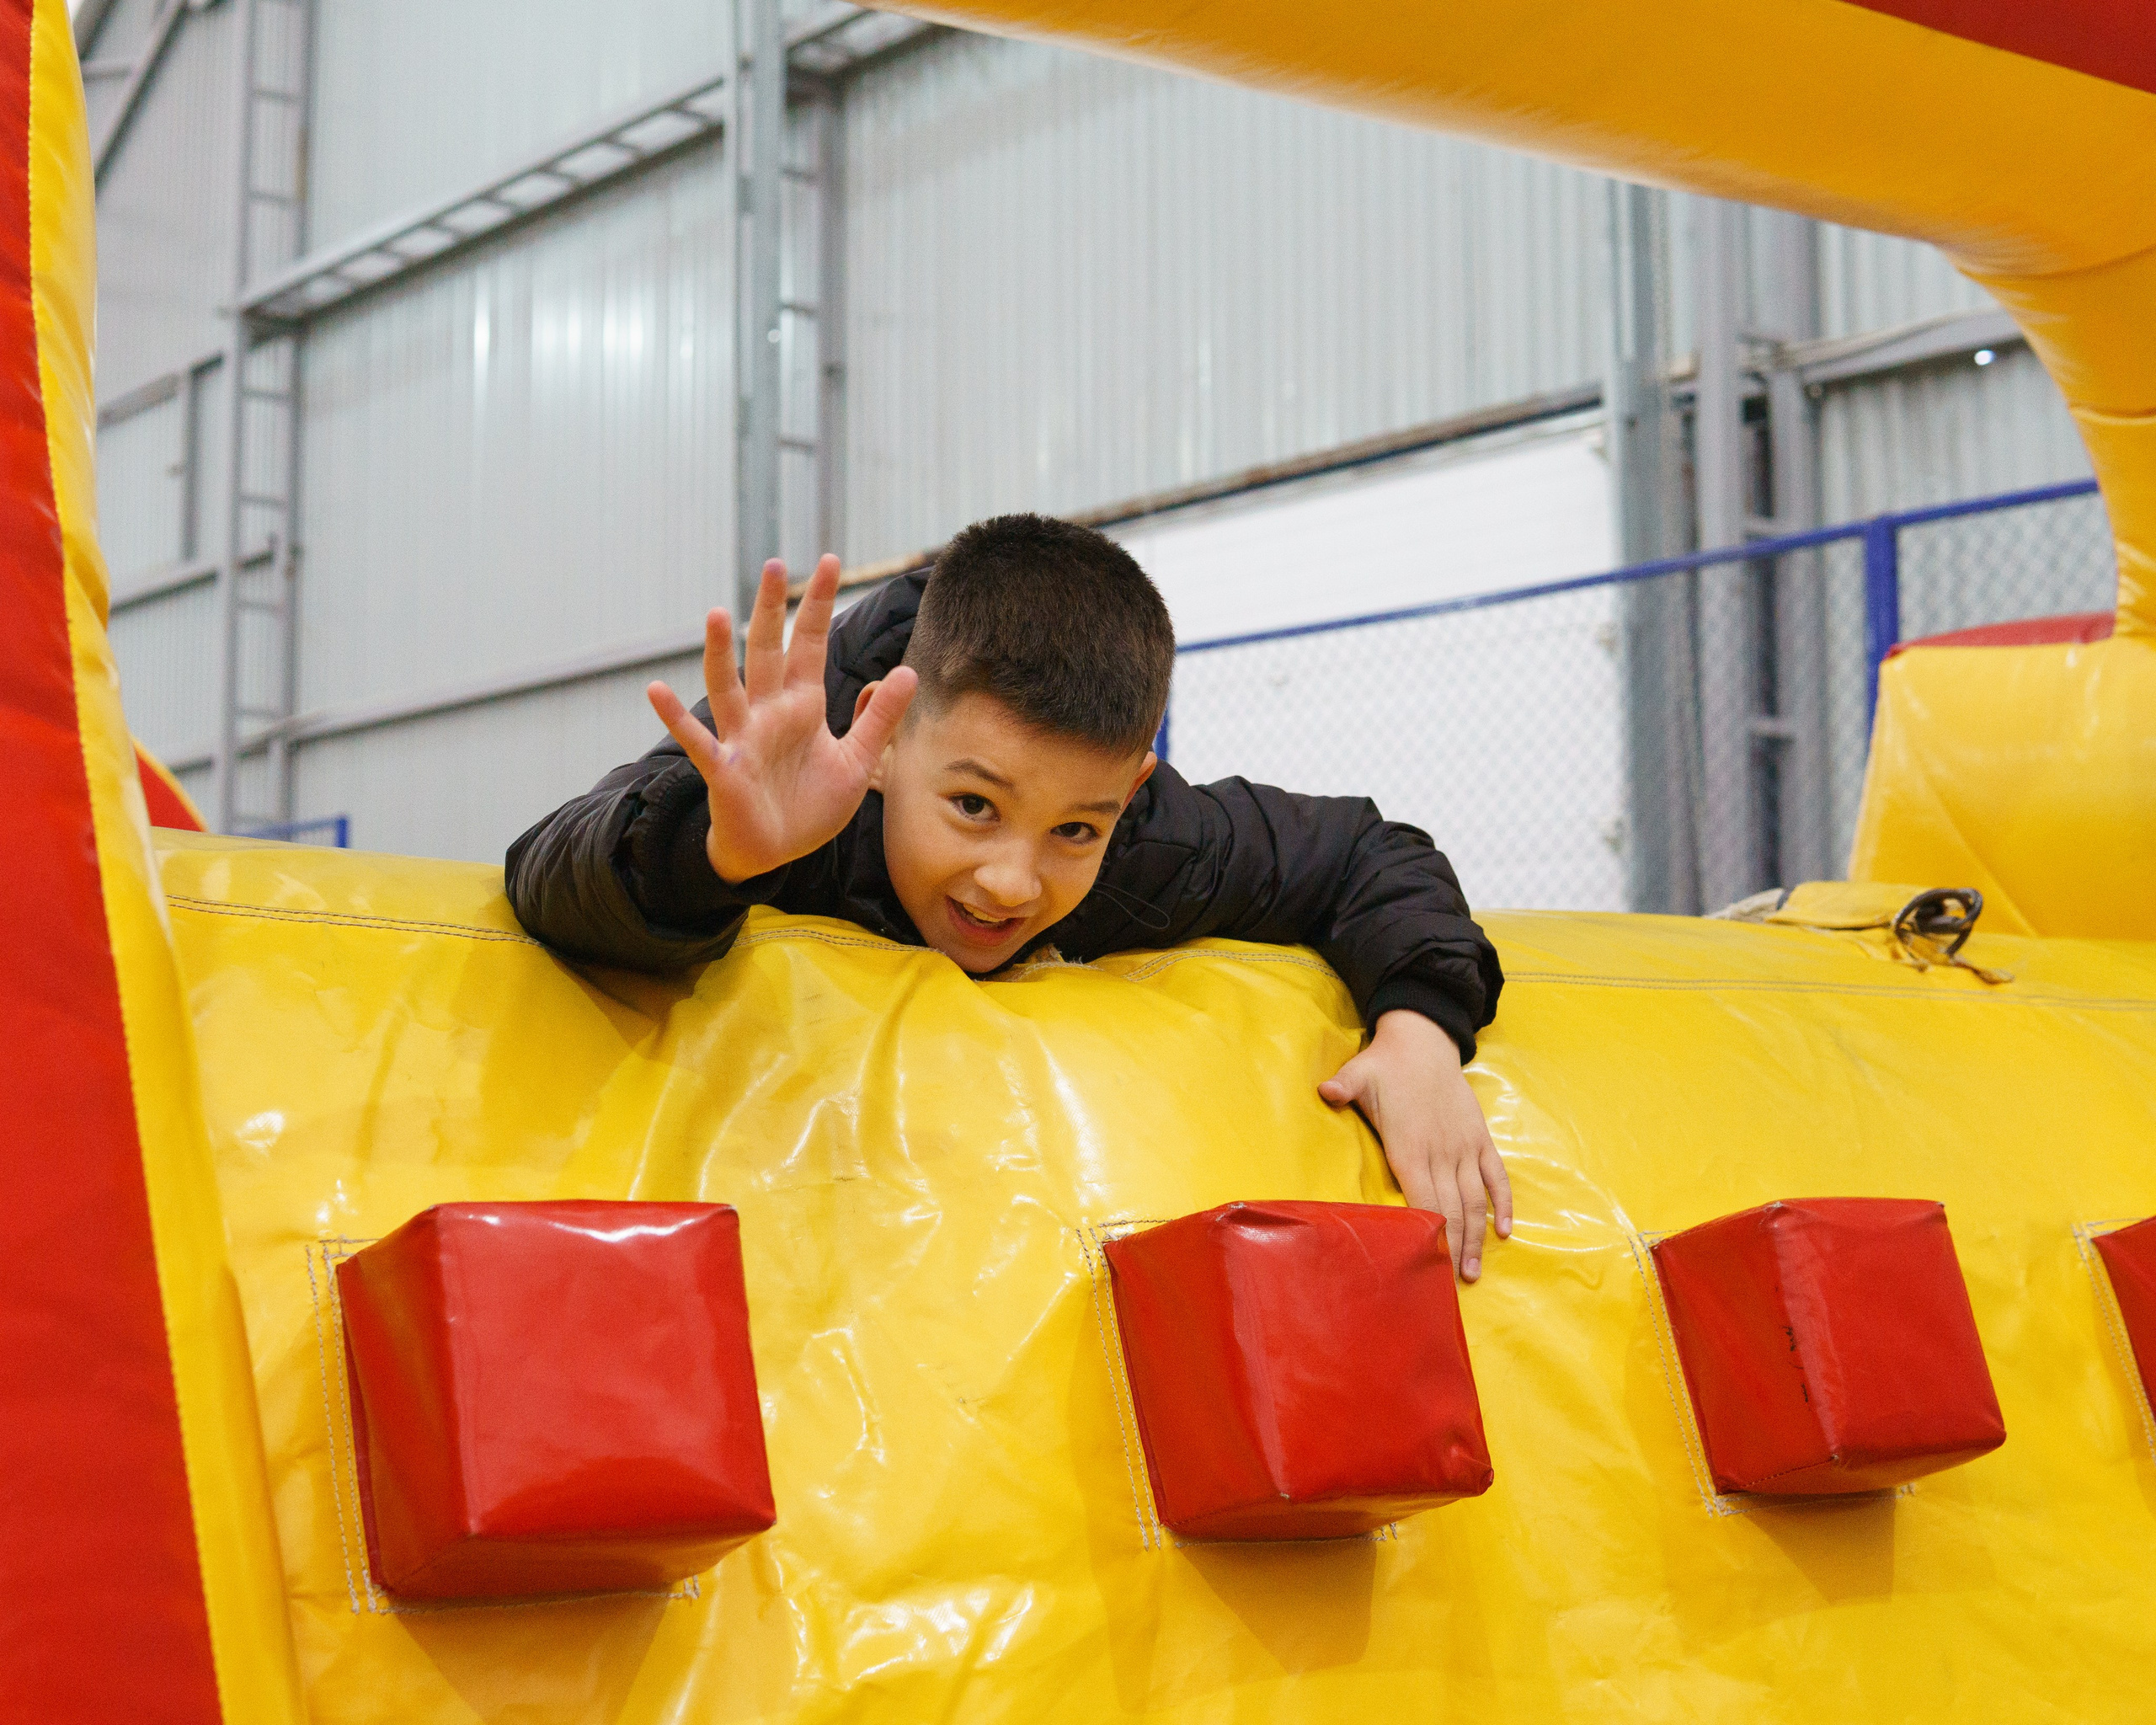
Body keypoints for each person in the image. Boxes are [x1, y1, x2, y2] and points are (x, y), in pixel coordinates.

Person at [506, 515, 1511, 1278]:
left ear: (1130, 793)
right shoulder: (798, 768)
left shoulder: (1143, 841)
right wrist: (716, 852)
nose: (1011, 882)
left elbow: (1368, 851)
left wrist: (1419, 1031)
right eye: (973, 806)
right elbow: (548, 870)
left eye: (1074, 829)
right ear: (885, 740)